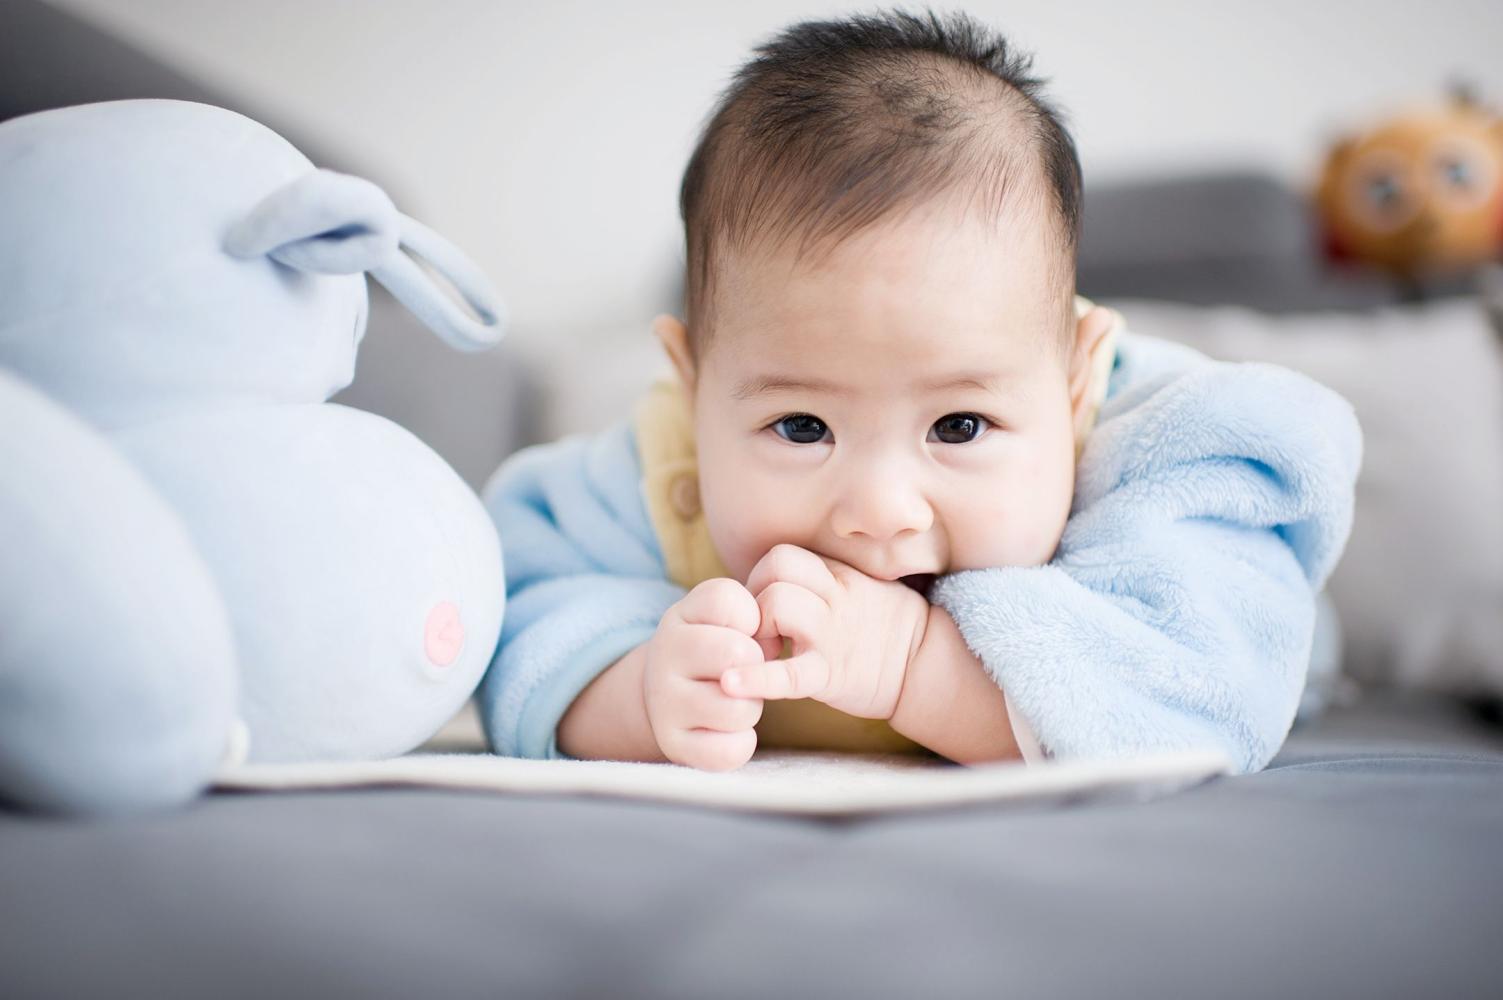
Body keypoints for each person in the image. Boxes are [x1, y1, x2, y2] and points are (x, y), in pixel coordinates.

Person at [476, 9, 1361, 774]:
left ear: (1072, 379)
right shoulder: (652, 472)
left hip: (1279, 630)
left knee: (1283, 629)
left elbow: (1192, 700)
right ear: (694, 384)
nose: (879, 511)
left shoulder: (1149, 450)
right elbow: (520, 610)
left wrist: (911, 666)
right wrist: (635, 693)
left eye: (959, 424)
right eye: (801, 425)